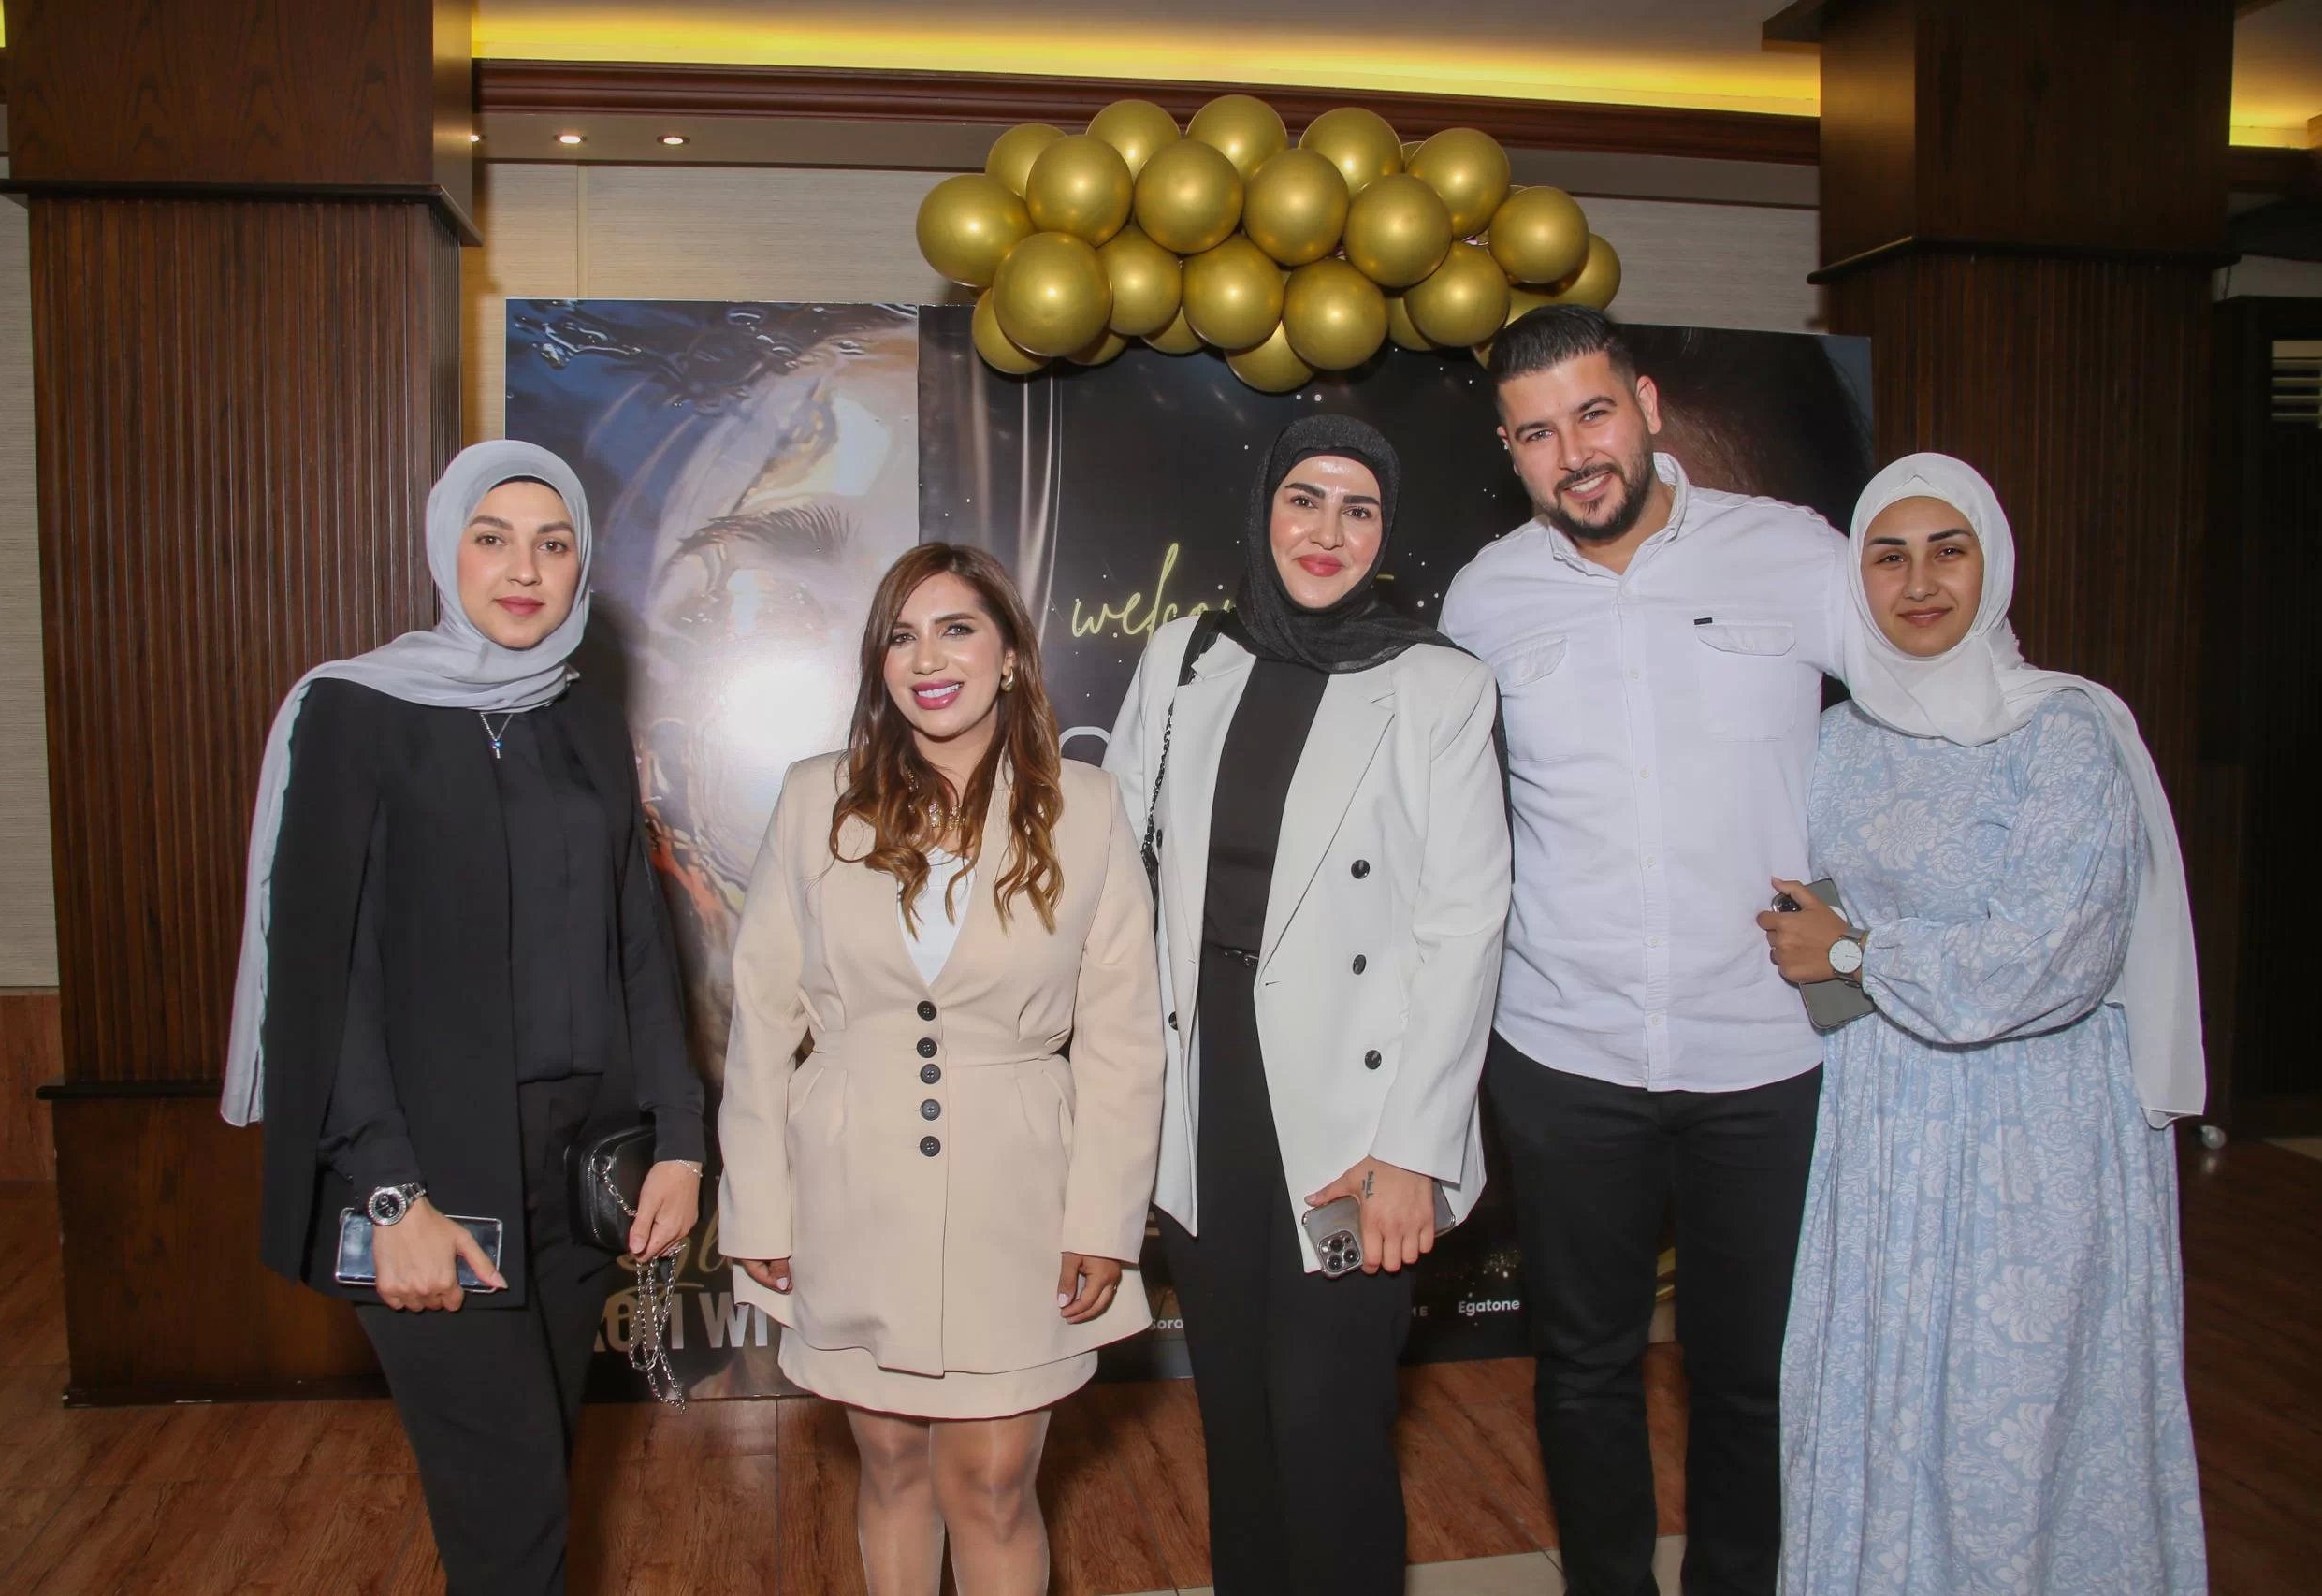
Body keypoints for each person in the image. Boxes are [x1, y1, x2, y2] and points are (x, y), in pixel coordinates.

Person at [221, 441, 706, 1595]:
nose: (523, 569)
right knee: (512, 1515)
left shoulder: (586, 719)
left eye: (553, 542)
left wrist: (682, 1139)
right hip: (430, 1179)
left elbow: (640, 945)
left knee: (527, 1493)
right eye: (493, 538)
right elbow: (324, 976)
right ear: (447, 550)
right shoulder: (354, 710)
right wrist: (389, 1192)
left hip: (582, 1173)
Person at [1438, 305, 1846, 1596]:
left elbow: (1919, 719)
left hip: (1766, 1053)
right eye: (1537, 433)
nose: (1575, 454)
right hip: (1565, 1050)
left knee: (1750, 1375)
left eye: (1594, 413)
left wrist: (1863, 935)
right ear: (1511, 450)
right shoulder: (1484, 598)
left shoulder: (1794, 553)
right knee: (1584, 1367)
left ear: (1647, 405)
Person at [1764, 453, 2207, 1595]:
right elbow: (1804, 912)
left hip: (2031, 1139)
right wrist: (1828, 956)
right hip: (1882, 1128)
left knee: (2010, 1418)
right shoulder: (1837, 738)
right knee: (1875, 1395)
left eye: (1946, 550)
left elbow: (2051, 958)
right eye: (1888, 555)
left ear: (1993, 563)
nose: (1918, 582)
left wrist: (1857, 954)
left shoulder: (2063, 733)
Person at [1106, 414, 1509, 1595]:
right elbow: (1114, 863)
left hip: (1354, 1111)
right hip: (1206, 1086)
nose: (1327, 530)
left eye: (1358, 508)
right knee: (1235, 1421)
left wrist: (1415, 1149)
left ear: (1386, 533)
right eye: (1304, 498)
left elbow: (1464, 925)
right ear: (1264, 510)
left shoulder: (1438, 684)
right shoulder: (1185, 656)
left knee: (1328, 1424)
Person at [718, 543, 1165, 1595]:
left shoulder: (1089, 807)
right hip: (851, 1187)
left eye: (957, 628)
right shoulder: (815, 799)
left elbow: (1123, 1033)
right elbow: (761, 1015)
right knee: (894, 1469)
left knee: (994, 1483)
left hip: (1020, 1195)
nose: (928, 657)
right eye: (902, 636)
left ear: (1010, 655)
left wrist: (1103, 1218)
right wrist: (758, 1205)